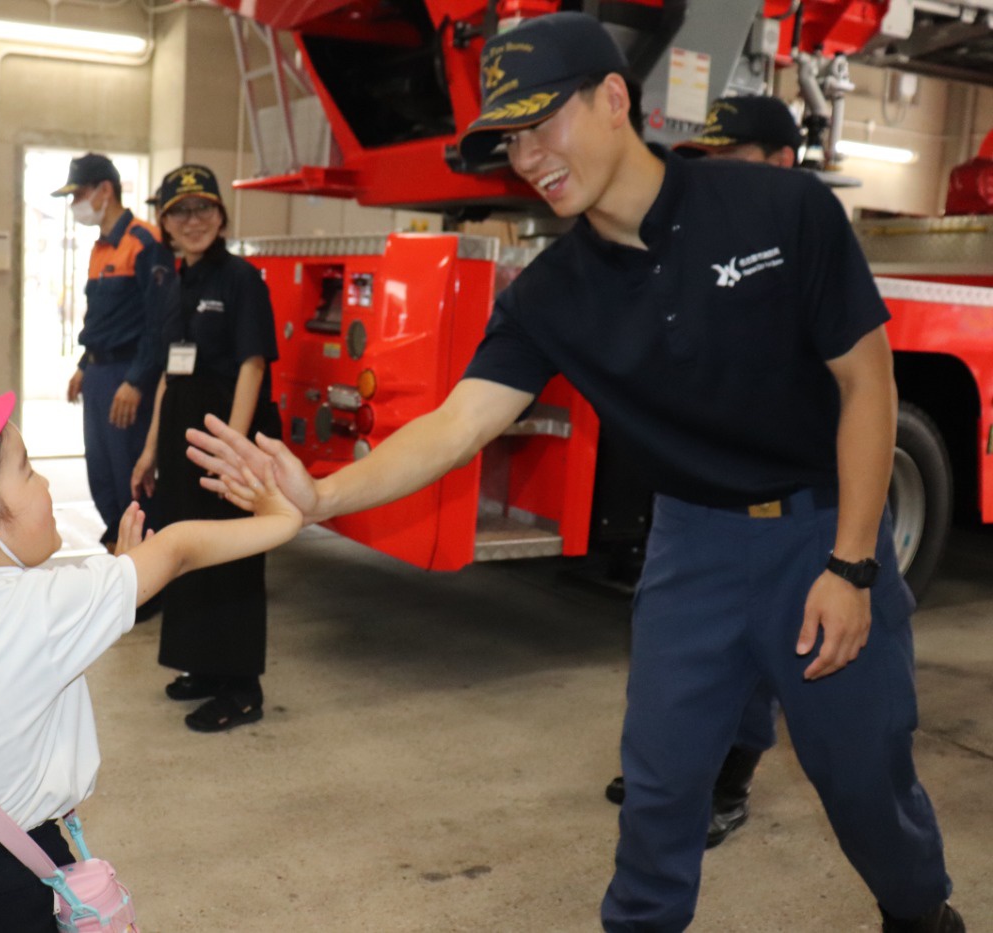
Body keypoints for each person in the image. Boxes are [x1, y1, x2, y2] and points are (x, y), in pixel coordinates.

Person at [187, 13, 962, 933]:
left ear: (613, 97)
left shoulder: (776, 210)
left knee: (866, 781)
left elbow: (866, 379)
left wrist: (850, 565)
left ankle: (922, 917)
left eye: (540, 123)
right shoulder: (556, 292)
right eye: (510, 143)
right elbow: (455, 422)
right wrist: (323, 494)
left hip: (820, 531)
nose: (529, 158)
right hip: (693, 550)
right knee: (661, 785)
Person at [0, 392, 299, 932]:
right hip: (1, 887)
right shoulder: (40, 611)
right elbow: (178, 549)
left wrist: (117, 572)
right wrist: (283, 517)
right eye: (26, 473)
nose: (46, 484)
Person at [602, 93, 807, 847]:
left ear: (783, 163)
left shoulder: (807, 249)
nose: (714, 174)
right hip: (689, 493)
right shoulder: (690, 242)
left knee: (754, 652)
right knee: (666, 642)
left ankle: (730, 780)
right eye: (706, 158)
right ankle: (671, 764)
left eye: (734, 158)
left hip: (769, 505)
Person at [131, 165, 282, 732]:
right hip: (180, 437)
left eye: (203, 209)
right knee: (189, 549)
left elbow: (252, 364)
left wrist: (235, 448)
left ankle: (242, 686)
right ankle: (206, 666)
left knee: (233, 557)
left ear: (221, 216)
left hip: (224, 434)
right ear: (165, 223)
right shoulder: (175, 282)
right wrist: (150, 451)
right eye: (180, 211)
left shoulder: (242, 279)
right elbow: (170, 375)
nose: (193, 221)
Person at [55, 153, 175, 549]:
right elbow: (101, 318)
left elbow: (159, 323)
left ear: (105, 190)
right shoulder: (100, 248)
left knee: (132, 478)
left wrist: (137, 381)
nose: (75, 205)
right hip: (100, 376)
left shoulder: (144, 242)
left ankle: (147, 572)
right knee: (102, 472)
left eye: (79, 194)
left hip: (129, 376)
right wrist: (83, 365)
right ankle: (119, 552)